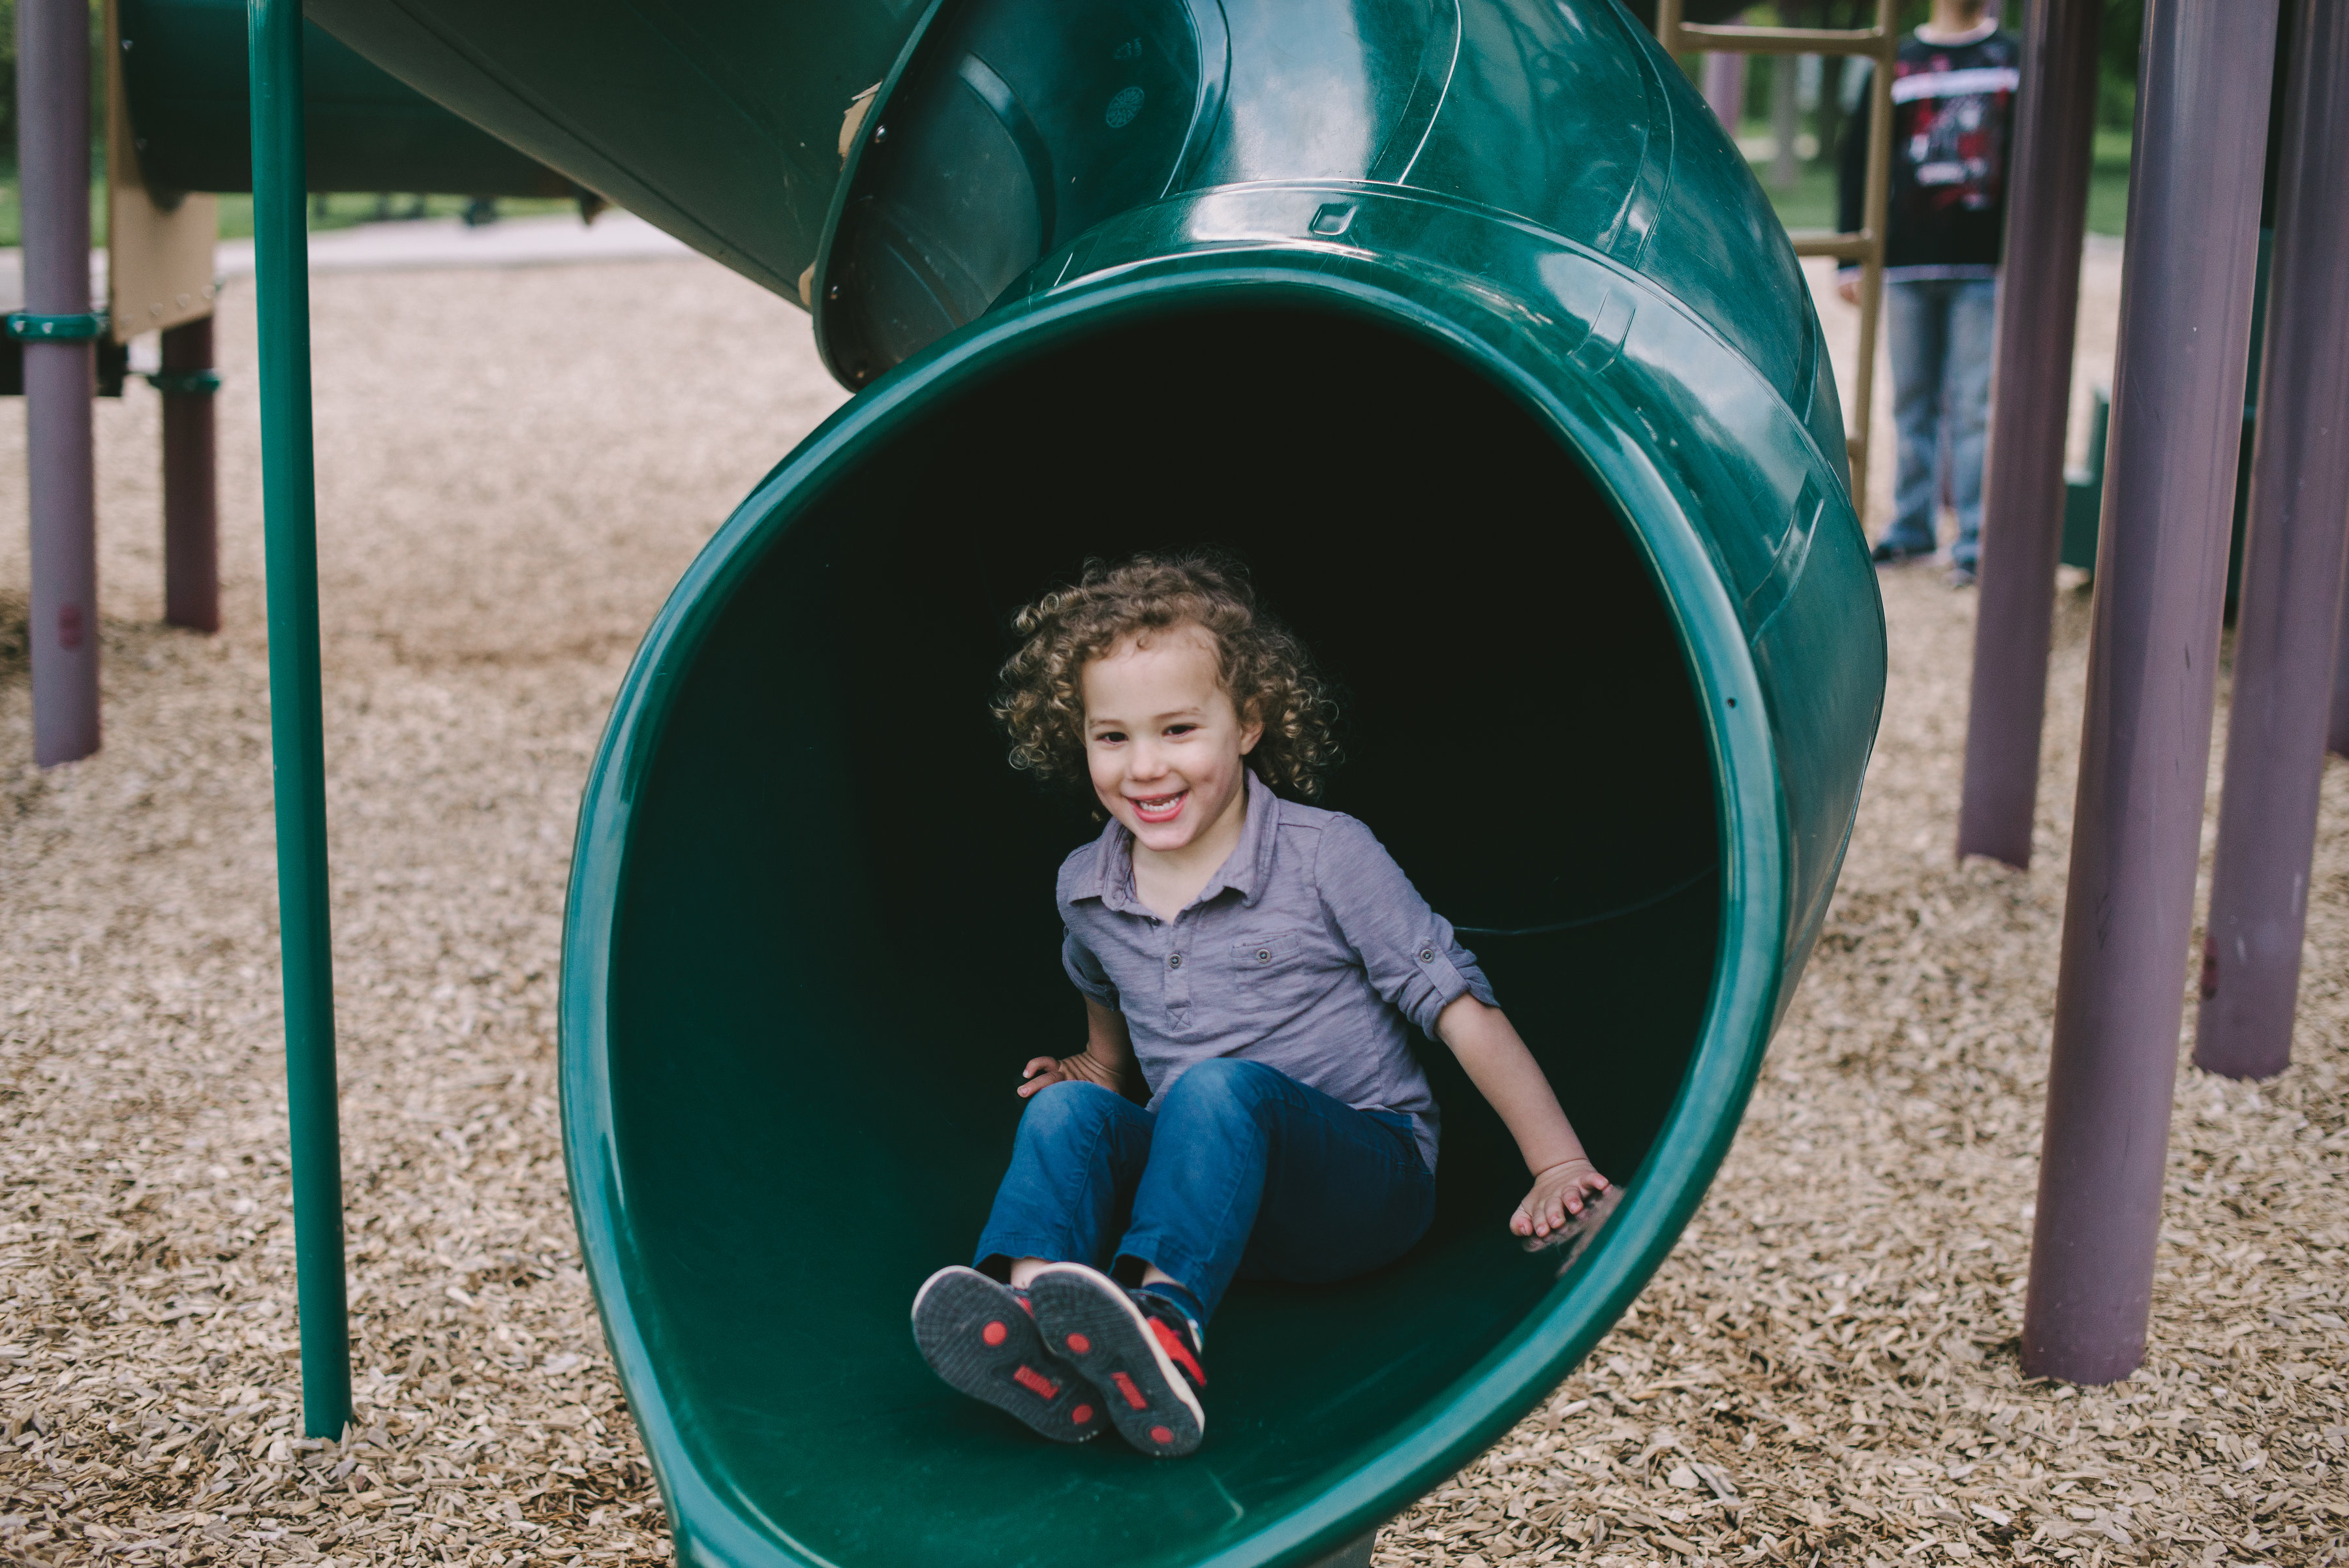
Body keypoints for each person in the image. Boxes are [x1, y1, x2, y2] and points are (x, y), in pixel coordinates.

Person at [909, 552, 1610, 1458]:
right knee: (1069, 1110)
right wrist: (1101, 1065)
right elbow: (1099, 974)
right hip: (1208, 1204)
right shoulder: (1085, 883)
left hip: (1362, 1182)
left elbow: (1456, 1003)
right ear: (1074, 736)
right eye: (1111, 737)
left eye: (1177, 729)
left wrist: (1558, 1161)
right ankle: (1040, 1323)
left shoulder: (1327, 855)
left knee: (1215, 1088)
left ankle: (1164, 1330)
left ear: (1247, 723)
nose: (1145, 766)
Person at [1835, 0, 2021, 589]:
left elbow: (2031, 161)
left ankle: (1974, 539)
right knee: (1910, 400)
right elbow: (1857, 158)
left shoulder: (2011, 59)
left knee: (1973, 404)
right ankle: (1911, 527)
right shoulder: (1897, 62)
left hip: (1983, 262)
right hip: (1908, 260)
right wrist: (1849, 255)